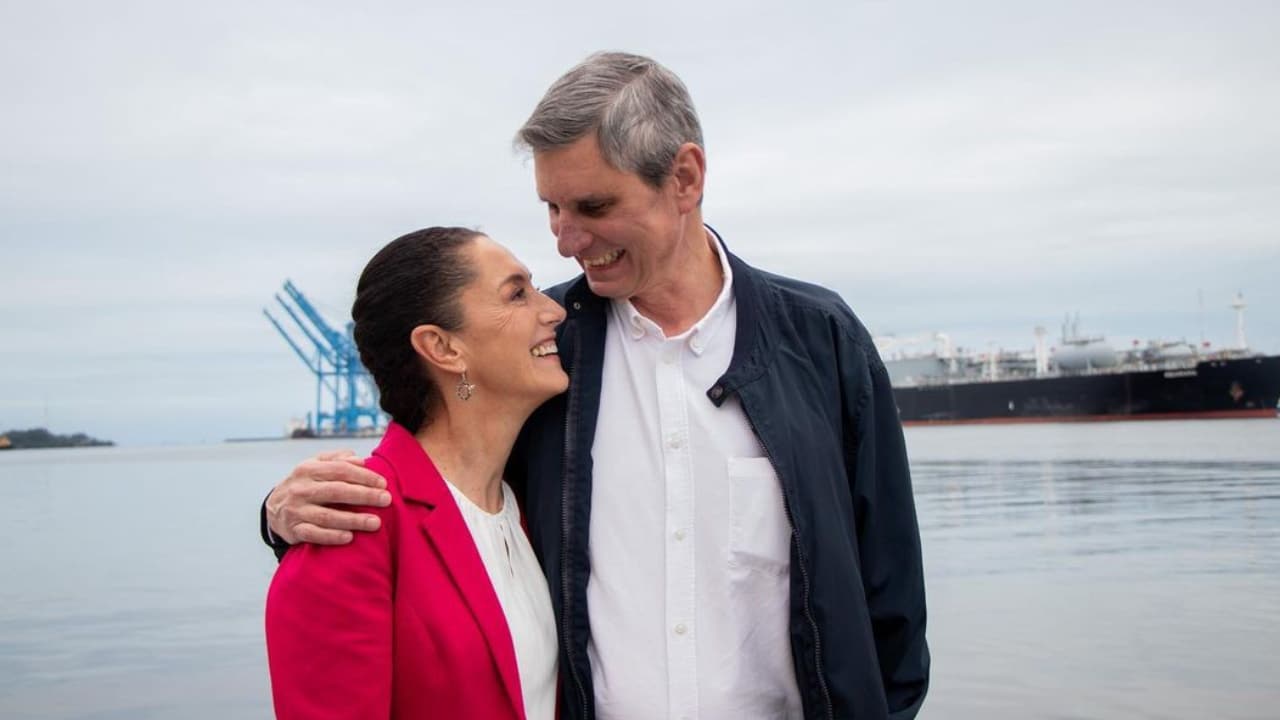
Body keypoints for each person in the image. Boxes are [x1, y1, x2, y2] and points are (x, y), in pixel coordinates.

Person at [264, 52, 930, 720]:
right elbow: (432, 473)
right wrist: (280, 515)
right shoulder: (543, 357)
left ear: (685, 178)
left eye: (593, 205)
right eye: (551, 207)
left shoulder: (822, 342)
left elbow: (892, 604)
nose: (565, 240)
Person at [264, 227, 565, 720]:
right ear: (443, 348)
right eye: (517, 294)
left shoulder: (528, 504)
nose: (552, 311)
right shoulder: (350, 531)